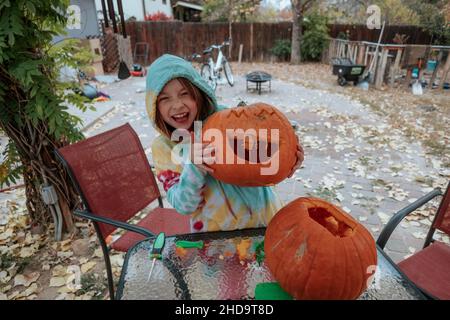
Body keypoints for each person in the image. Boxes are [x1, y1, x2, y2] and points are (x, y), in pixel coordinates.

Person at [146, 54, 303, 233]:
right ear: (155, 107)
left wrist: (289, 159)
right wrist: (194, 167)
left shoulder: (225, 118)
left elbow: (261, 161)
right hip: (216, 241)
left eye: (185, 94)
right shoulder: (164, 148)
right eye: (165, 99)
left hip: (265, 223)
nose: (177, 105)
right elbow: (184, 206)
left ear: (198, 94)